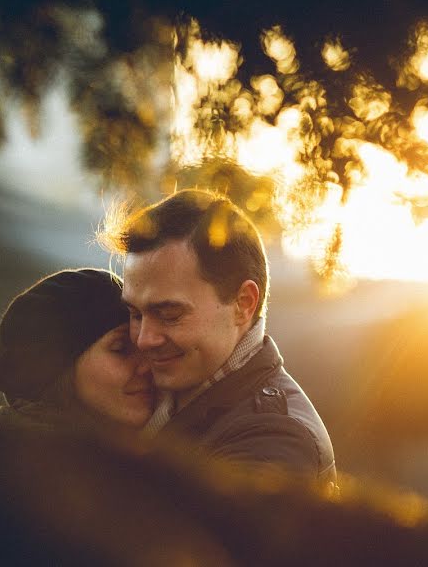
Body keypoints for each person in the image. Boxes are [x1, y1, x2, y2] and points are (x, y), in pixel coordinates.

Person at [101, 189, 336, 486]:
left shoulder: (274, 441)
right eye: (136, 315)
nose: (144, 339)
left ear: (244, 303)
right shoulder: (158, 394)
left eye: (170, 314)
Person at [0, 268, 154, 433]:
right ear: (57, 367)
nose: (147, 366)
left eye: (144, 348)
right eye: (121, 349)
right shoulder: (38, 456)